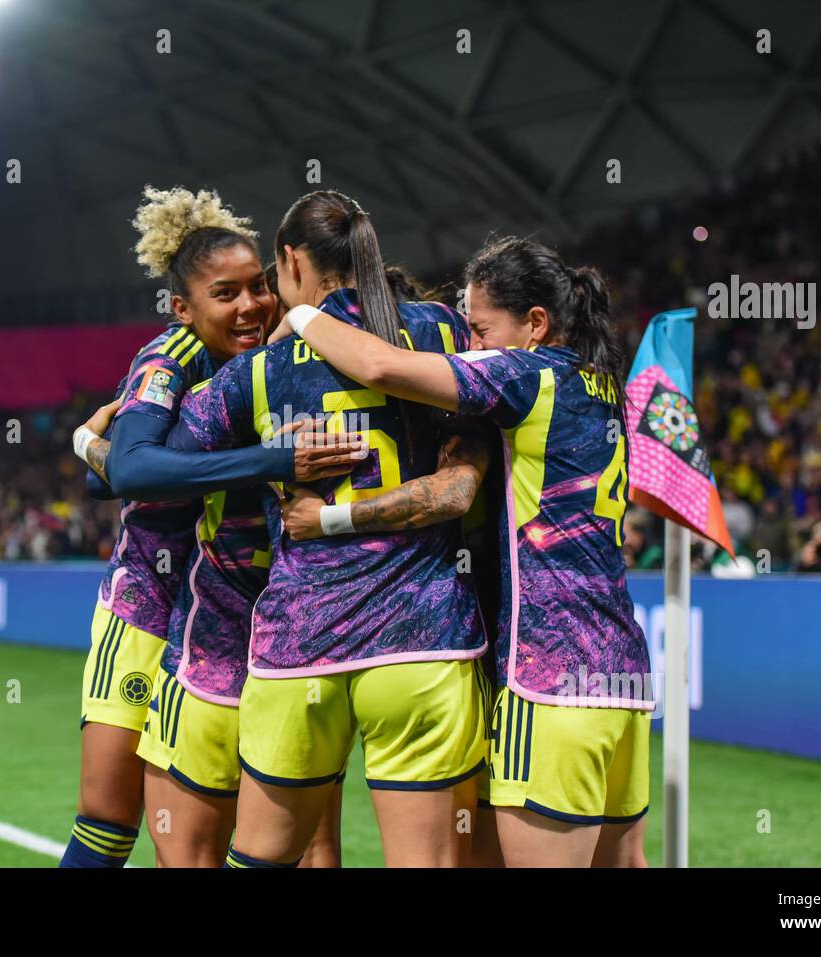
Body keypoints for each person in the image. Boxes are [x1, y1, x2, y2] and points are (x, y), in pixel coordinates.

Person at [272, 235, 653, 867]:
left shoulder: (525, 375)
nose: (468, 346)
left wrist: (303, 314)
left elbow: (382, 367)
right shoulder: (600, 384)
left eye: (479, 330)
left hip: (550, 677)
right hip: (620, 673)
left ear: (535, 324)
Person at [165, 190, 488, 867]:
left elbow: (157, 464)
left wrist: (92, 438)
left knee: (260, 860)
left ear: (289, 260)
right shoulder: (441, 330)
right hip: (421, 642)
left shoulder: (257, 371)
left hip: (299, 646)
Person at [59, 187, 361, 868]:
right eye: (226, 294)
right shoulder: (169, 362)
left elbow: (109, 471)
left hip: (250, 612)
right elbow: (129, 471)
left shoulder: (294, 347)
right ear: (183, 309)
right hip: (148, 601)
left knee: (299, 836)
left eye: (259, 286)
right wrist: (275, 459)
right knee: (110, 817)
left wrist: (90, 448)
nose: (251, 305)